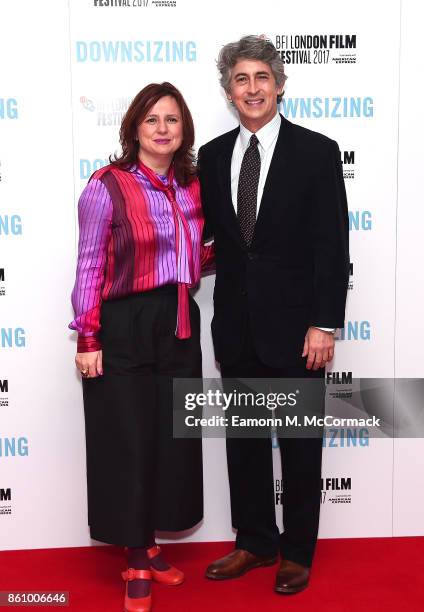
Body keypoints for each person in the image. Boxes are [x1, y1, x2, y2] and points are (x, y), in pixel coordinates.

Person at [198, 36, 349, 594]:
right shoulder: (212, 156)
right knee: (244, 445)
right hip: (235, 326)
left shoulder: (317, 150)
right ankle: (254, 541)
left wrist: (325, 322)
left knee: (302, 449)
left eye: (262, 76)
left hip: (298, 330)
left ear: (279, 85)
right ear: (228, 91)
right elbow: (212, 241)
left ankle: (297, 552)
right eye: (241, 79)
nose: (253, 88)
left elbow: (332, 245)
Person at [69, 82, 213, 612]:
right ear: (134, 128)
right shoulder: (106, 186)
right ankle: (133, 560)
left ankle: (150, 543)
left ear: (184, 131)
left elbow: (196, 251)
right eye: (152, 120)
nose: (162, 129)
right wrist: (88, 336)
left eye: (172, 120)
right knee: (126, 440)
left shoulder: (193, 187)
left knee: (170, 439)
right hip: (123, 322)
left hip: (178, 321)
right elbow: (90, 264)